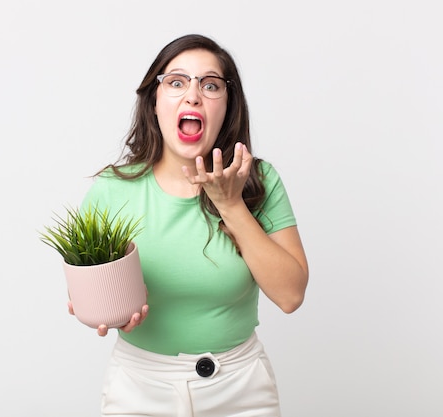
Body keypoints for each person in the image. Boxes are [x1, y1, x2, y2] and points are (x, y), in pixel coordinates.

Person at [68, 33, 309, 417]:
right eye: (176, 82)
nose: (193, 95)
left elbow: (290, 295)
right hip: (139, 388)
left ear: (228, 106)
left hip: (241, 389)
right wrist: (100, 309)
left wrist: (230, 205)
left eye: (210, 85)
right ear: (154, 102)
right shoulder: (112, 189)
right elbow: (90, 287)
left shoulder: (259, 181)